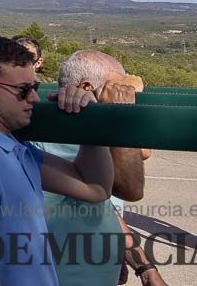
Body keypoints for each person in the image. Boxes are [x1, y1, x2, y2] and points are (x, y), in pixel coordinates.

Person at [0, 35, 113, 286]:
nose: (34, 99)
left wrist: (89, 121)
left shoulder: (9, 147)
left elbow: (95, 188)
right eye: (23, 90)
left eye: (35, 88)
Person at [36, 50, 151, 286]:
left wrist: (143, 266)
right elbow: (131, 188)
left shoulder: (89, 128)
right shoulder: (62, 127)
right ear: (87, 87)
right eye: (119, 86)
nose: (126, 94)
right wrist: (120, 113)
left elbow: (106, 205)